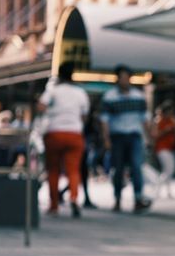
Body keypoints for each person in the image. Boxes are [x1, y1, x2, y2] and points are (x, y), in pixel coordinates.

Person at [37, 61, 90, 218]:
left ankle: (54, 205)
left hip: (54, 133)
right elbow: (85, 115)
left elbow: (41, 107)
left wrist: (51, 112)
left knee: (53, 170)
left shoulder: (53, 91)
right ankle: (74, 198)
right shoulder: (80, 92)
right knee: (73, 170)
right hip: (74, 133)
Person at [100, 65, 151, 213]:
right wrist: (106, 139)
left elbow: (144, 119)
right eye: (122, 77)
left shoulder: (138, 96)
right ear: (117, 79)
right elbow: (104, 120)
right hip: (118, 137)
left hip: (135, 136)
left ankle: (138, 197)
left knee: (136, 166)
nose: (125, 80)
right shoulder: (110, 97)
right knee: (118, 168)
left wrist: (149, 136)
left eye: (127, 77)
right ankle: (117, 198)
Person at [150, 103, 175, 198]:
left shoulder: (172, 120)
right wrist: (165, 131)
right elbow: (154, 135)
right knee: (168, 170)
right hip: (162, 148)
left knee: (169, 170)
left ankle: (168, 191)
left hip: (170, 148)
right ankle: (157, 188)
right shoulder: (159, 121)